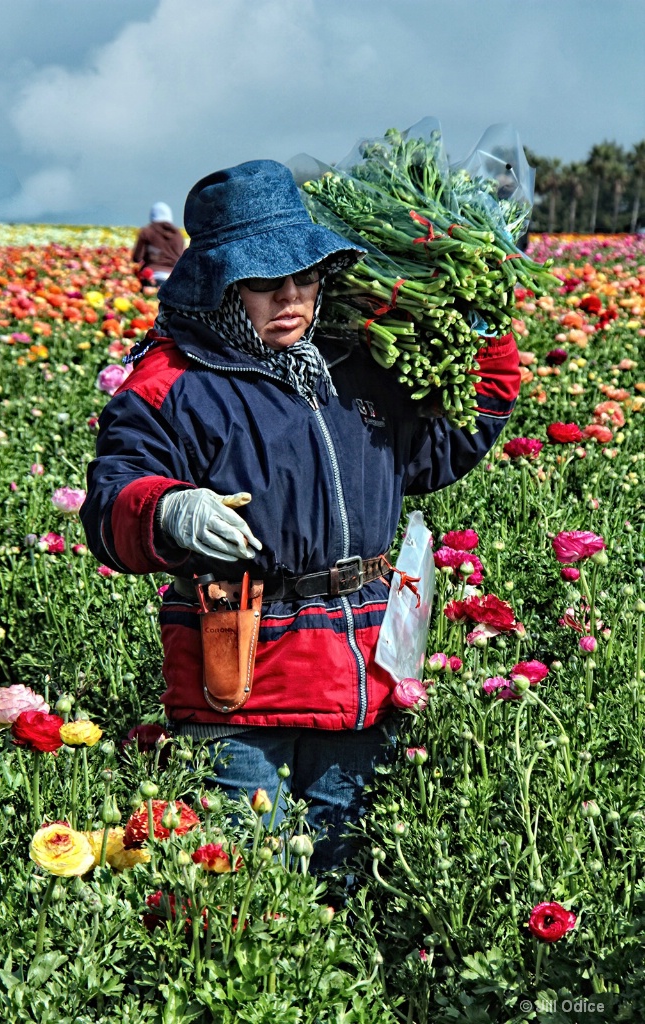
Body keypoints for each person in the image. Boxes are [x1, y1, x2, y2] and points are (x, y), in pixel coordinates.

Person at [80, 160, 521, 871]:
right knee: (246, 887)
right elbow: (110, 500)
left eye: (305, 277)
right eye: (264, 283)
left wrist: (491, 344)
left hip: (363, 675)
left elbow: (437, 453)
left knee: (350, 875)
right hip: (241, 682)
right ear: (222, 286)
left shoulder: (357, 370)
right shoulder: (172, 385)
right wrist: (166, 509)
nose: (290, 297)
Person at [132, 202, 185, 287]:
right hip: (174, 278)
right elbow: (181, 258)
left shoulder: (147, 231)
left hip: (152, 277)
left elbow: (137, 258)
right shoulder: (178, 234)